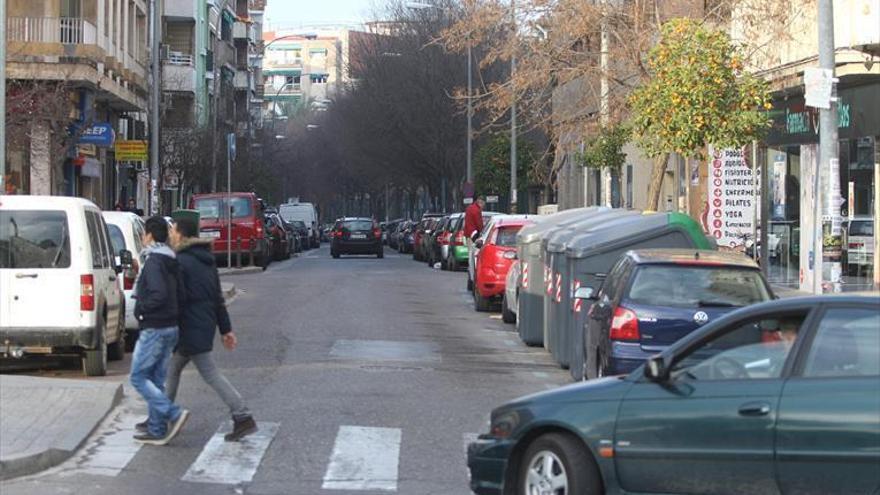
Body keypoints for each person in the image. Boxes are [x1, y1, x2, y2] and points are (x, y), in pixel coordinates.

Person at [161, 209, 257, 442]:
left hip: (189, 327)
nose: (170, 234)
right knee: (172, 370)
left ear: (180, 234)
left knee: (208, 373)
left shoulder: (181, 262)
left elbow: (178, 299)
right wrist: (226, 329)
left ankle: (243, 415)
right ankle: (162, 417)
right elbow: (217, 298)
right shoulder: (206, 260)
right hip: (201, 325)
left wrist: (167, 325)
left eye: (173, 230)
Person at [130, 216, 190, 445]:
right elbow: (181, 294)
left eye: (143, 234)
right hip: (170, 326)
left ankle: (172, 413)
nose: (142, 238)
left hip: (154, 326)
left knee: (138, 377)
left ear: (149, 235)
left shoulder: (154, 261)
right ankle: (156, 429)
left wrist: (142, 311)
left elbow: (158, 294)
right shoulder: (171, 259)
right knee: (155, 379)